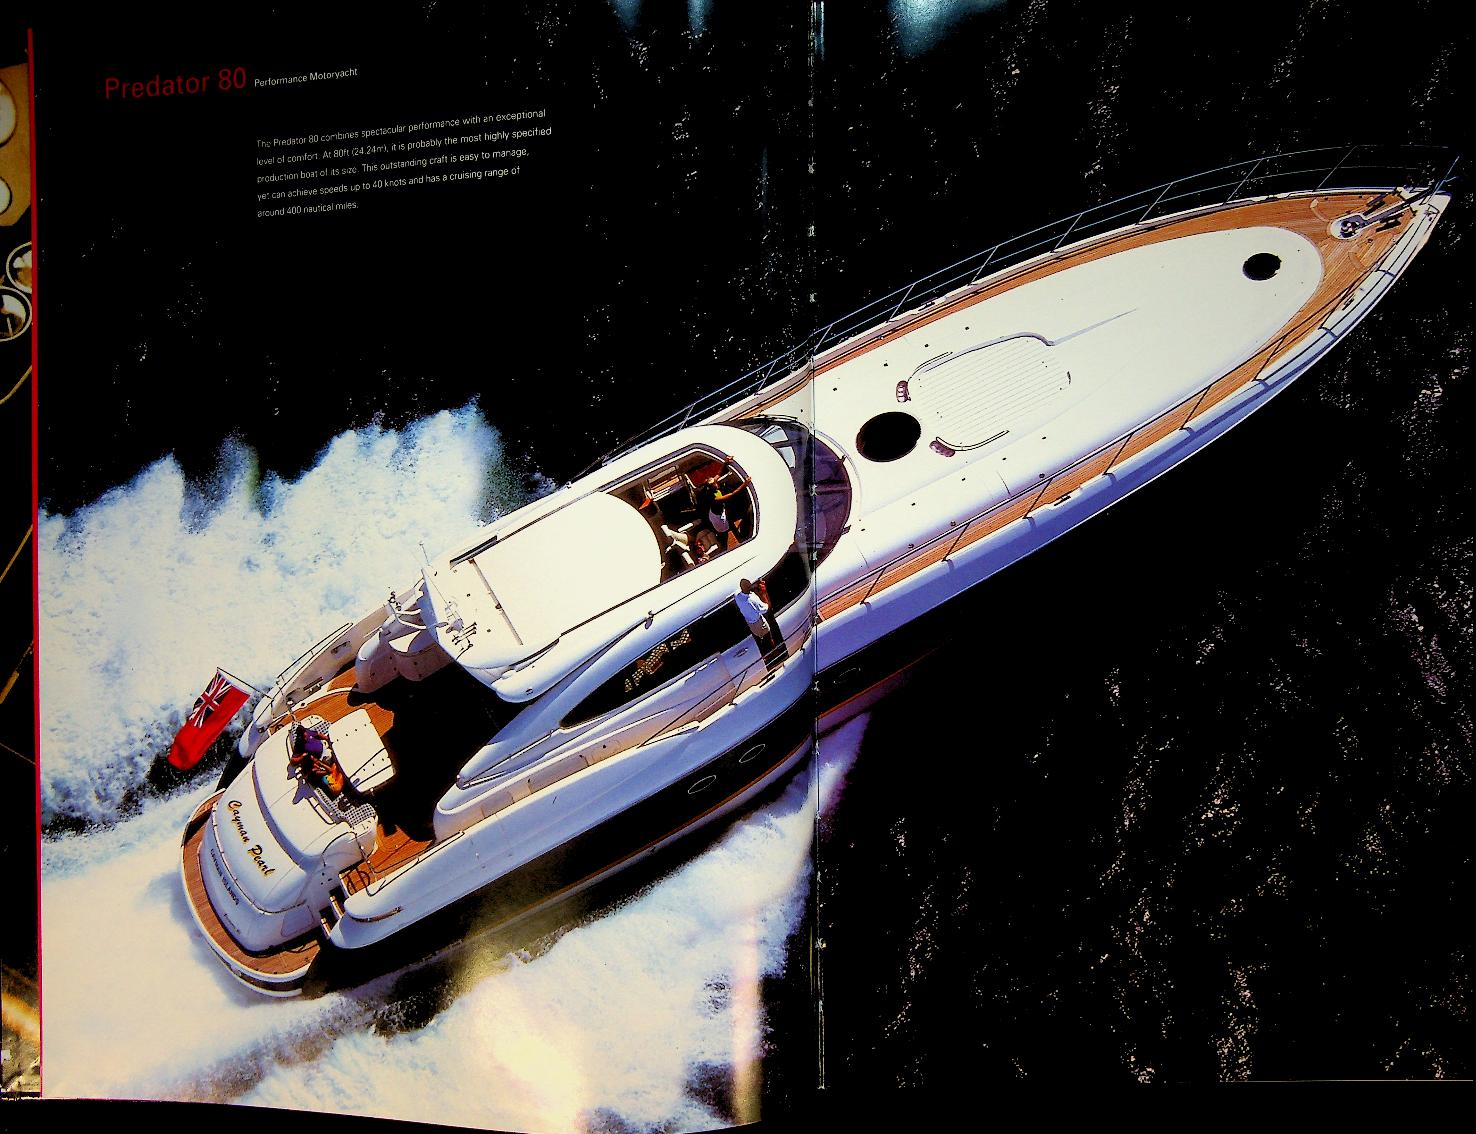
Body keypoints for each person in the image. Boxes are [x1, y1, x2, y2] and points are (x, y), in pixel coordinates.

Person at [696, 455, 752, 543]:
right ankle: (732, 539)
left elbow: (718, 474)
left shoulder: (709, 486)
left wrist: (725, 462)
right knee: (725, 530)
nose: (717, 483)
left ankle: (734, 534)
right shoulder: (716, 498)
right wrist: (745, 484)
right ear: (712, 487)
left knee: (729, 522)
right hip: (718, 517)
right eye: (715, 484)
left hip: (717, 511)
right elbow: (732, 494)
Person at [735, 578, 786, 673]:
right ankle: (774, 655)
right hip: (759, 623)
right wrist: (763, 594)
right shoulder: (752, 599)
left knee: (760, 639)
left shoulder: (737, 597)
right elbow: (765, 609)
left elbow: (742, 590)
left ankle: (766, 654)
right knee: (768, 637)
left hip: (750, 623)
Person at [289, 722, 347, 795]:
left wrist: (328, 739)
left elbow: (318, 735)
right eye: (304, 736)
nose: (306, 736)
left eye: (305, 734)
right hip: (325, 764)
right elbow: (293, 761)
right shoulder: (314, 770)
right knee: (339, 768)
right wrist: (319, 763)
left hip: (324, 752)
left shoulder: (307, 732)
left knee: (336, 765)